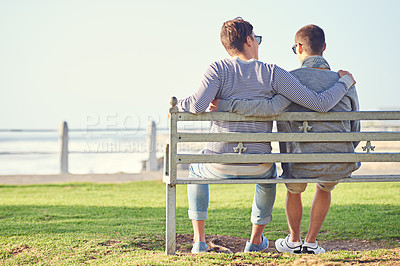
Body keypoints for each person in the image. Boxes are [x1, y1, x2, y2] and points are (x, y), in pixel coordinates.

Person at [176, 17, 355, 254]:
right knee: (268, 178)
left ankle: (199, 241)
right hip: (258, 164)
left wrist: (179, 104)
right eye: (256, 38)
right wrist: (345, 83)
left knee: (195, 172)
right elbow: (319, 103)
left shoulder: (217, 69)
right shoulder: (273, 73)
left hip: (219, 163)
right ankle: (256, 240)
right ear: (249, 40)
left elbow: (197, 104)